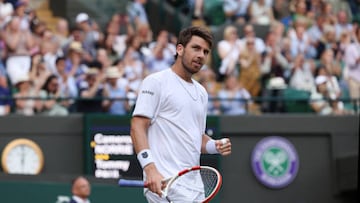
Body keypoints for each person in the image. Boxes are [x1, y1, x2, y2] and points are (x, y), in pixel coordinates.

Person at [130, 26, 232, 202]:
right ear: (179, 49)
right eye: (196, 48)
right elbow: (137, 126)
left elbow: (197, 138)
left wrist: (215, 146)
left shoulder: (201, 93)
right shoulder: (156, 82)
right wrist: (150, 169)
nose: (201, 55)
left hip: (195, 187)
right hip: (166, 183)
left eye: (206, 52)